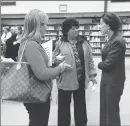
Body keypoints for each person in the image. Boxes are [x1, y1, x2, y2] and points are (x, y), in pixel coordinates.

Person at [17, 9, 72, 126]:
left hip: (34, 92)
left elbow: (37, 66)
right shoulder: (31, 45)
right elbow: (42, 74)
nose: (47, 27)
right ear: (37, 25)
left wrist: (54, 60)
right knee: (38, 122)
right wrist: (60, 68)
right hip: (36, 94)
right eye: (44, 24)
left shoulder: (29, 43)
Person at [53, 17, 97, 126]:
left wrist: (92, 75)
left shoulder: (84, 43)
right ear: (66, 30)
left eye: (77, 28)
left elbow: (90, 60)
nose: (76, 30)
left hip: (81, 79)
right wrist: (57, 62)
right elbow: (53, 60)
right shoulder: (59, 44)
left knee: (81, 106)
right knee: (63, 108)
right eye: (73, 28)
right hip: (65, 81)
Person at [98, 12, 126, 126]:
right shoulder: (111, 39)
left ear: (108, 25)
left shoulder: (118, 41)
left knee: (111, 111)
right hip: (107, 80)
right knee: (105, 109)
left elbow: (108, 64)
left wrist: (99, 64)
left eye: (101, 24)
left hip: (113, 81)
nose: (99, 26)